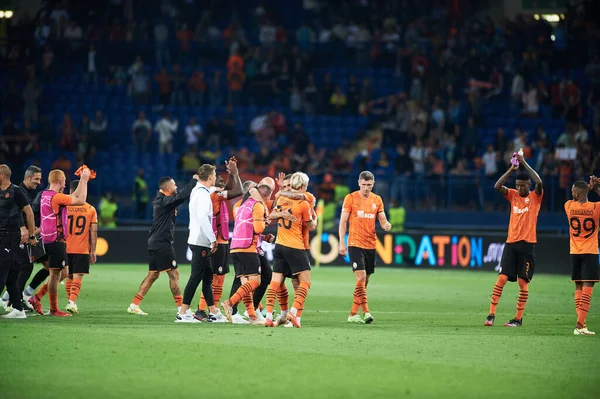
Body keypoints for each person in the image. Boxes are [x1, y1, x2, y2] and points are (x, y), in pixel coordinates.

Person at [484, 152, 543, 327]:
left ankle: (518, 319)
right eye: (517, 186)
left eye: (523, 186)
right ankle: (491, 315)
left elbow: (539, 182)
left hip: (527, 245)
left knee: (522, 283)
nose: (519, 189)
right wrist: (511, 169)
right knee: (501, 279)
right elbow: (497, 186)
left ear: (528, 185)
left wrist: (524, 163)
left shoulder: (535, 197)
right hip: (510, 244)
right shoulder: (512, 195)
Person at [127, 174, 199, 316]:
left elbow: (176, 200)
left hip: (155, 242)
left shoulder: (162, 201)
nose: (176, 187)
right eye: (174, 185)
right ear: (167, 188)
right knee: (174, 274)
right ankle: (181, 309)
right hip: (162, 243)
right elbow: (181, 197)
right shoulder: (164, 201)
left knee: (153, 274)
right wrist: (194, 181)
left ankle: (134, 304)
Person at [28, 168, 90, 317]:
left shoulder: (45, 195)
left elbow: (73, 195)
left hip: (47, 239)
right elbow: (80, 200)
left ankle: (36, 298)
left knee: (63, 273)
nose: (64, 185)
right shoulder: (56, 198)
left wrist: (81, 180)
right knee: (56, 275)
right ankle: (54, 309)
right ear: (57, 181)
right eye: (63, 182)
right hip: (56, 240)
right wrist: (85, 180)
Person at [264, 172, 317, 328]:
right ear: (302, 185)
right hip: (296, 246)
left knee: (275, 282)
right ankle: (292, 313)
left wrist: (280, 192)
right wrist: (314, 215)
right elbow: (311, 226)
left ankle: (268, 317)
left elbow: (271, 212)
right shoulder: (305, 203)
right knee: (305, 283)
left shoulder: (281, 198)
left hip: (279, 245)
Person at [339, 171, 392, 324]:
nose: (366, 188)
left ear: (373, 184)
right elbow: (343, 222)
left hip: (371, 244)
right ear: (359, 183)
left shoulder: (377, 200)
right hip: (355, 243)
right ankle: (366, 312)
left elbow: (382, 220)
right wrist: (342, 242)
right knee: (361, 277)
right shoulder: (350, 198)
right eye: (364, 185)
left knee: (365, 280)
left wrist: (386, 225)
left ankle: (353, 314)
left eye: (369, 185)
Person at [194, 158, 243, 321]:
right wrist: (235, 173)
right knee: (214, 278)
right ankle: (203, 310)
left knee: (218, 278)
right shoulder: (215, 194)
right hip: (218, 240)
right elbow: (236, 191)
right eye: (218, 178)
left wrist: (231, 173)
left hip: (222, 240)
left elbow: (229, 187)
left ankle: (212, 311)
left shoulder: (216, 193)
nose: (220, 181)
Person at [178, 164, 227, 323]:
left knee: (207, 278)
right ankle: (183, 313)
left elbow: (211, 190)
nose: (215, 177)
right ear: (210, 177)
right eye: (214, 175)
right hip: (201, 240)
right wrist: (212, 238)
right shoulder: (202, 195)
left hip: (200, 240)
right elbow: (202, 218)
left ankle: (213, 312)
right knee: (195, 277)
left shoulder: (200, 191)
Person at [221, 182, 271, 324]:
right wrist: (264, 220)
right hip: (247, 247)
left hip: (235, 247)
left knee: (245, 284)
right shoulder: (258, 205)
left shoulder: (242, 205)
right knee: (256, 281)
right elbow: (258, 228)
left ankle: (252, 316)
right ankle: (230, 303)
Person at [1, 165, 41, 311]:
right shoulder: (16, 191)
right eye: (36, 179)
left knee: (15, 268)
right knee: (18, 269)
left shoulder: (19, 191)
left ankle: (13, 301)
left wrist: (30, 231)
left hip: (13, 235)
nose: (38, 182)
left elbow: (25, 213)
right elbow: (15, 212)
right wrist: (24, 229)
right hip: (11, 235)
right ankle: (15, 304)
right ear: (28, 177)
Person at [565, 178, 600, 335]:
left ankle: (581, 324)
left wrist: (588, 189)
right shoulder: (595, 207)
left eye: (573, 191)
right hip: (590, 251)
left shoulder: (568, 206)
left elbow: (580, 198)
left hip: (574, 252)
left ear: (577, 193)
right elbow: (586, 200)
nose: (571, 193)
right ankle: (580, 325)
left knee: (578, 286)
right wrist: (596, 188)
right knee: (588, 288)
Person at [64, 179, 98, 314]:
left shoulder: (64, 206)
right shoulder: (90, 209)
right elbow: (93, 231)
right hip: (81, 249)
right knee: (77, 277)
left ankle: (70, 301)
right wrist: (93, 250)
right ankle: (72, 302)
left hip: (65, 247)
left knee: (68, 276)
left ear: (70, 191)